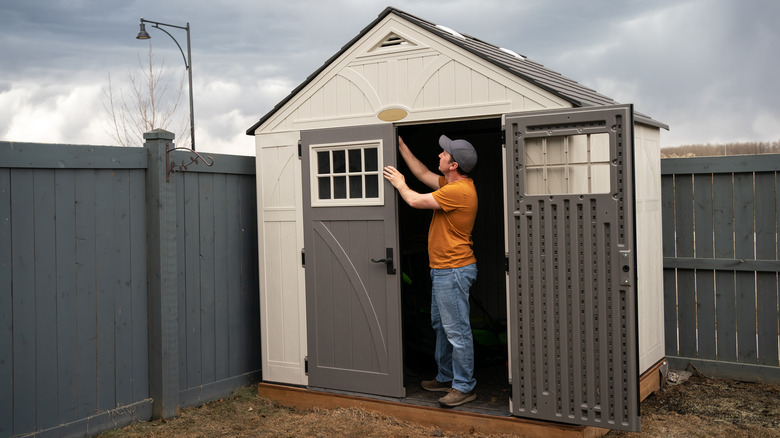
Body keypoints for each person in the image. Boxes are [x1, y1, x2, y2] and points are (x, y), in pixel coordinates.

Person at [383, 134, 478, 407]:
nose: (439, 155)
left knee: (457, 331)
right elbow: (422, 172)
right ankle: (446, 376)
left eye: (444, 153)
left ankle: (464, 386)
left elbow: (414, 200)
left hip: (454, 270)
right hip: (443, 269)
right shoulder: (452, 183)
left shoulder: (458, 192)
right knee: (442, 326)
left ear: (453, 165)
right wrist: (400, 144)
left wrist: (400, 184)